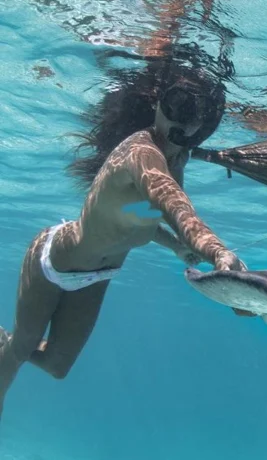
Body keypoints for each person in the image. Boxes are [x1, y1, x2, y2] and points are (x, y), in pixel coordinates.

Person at [0, 57, 245, 418]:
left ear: (201, 124)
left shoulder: (178, 159)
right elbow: (177, 210)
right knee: (21, 351)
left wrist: (175, 247)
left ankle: (5, 341)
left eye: (189, 111)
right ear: (158, 104)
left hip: (98, 274)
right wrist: (218, 253)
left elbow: (136, 216)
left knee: (56, 366)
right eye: (173, 103)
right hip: (52, 262)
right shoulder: (141, 153)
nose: (176, 117)